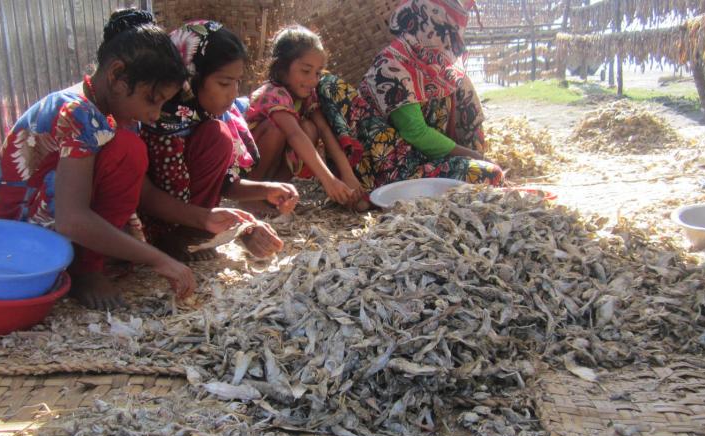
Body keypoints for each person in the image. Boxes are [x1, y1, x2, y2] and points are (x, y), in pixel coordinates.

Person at [0, 8, 194, 310]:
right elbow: (72, 220)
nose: (154, 114)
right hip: (20, 236)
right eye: (153, 100)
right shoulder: (78, 113)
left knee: (128, 149)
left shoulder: (116, 110)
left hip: (55, 219)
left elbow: (141, 193)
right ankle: (85, 269)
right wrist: (157, 258)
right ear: (116, 76)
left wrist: (205, 217)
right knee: (129, 149)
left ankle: (86, 260)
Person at [139, 20, 296, 261]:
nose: (233, 93)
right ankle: (169, 237)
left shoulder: (210, 116)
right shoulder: (151, 115)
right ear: (191, 75)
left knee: (218, 135)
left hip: (196, 218)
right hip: (144, 221)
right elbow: (144, 195)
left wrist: (267, 190)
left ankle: (190, 233)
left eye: (237, 82)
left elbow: (226, 183)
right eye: (224, 83)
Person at [316, 0, 505, 192]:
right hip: (392, 165)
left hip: (427, 160)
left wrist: (476, 155)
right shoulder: (392, 67)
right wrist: (475, 157)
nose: (450, 43)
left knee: (489, 172)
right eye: (445, 32)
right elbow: (416, 133)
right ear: (425, 26)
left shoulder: (440, 68)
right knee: (489, 174)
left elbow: (466, 116)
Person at [245, 25, 365, 209]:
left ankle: (276, 195)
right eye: (305, 71)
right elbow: (294, 134)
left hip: (274, 173)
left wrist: (347, 175)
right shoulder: (272, 93)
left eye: (317, 73)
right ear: (282, 67)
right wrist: (329, 180)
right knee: (276, 130)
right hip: (249, 172)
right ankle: (250, 199)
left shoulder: (308, 95)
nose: (313, 80)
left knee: (310, 127)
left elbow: (324, 130)